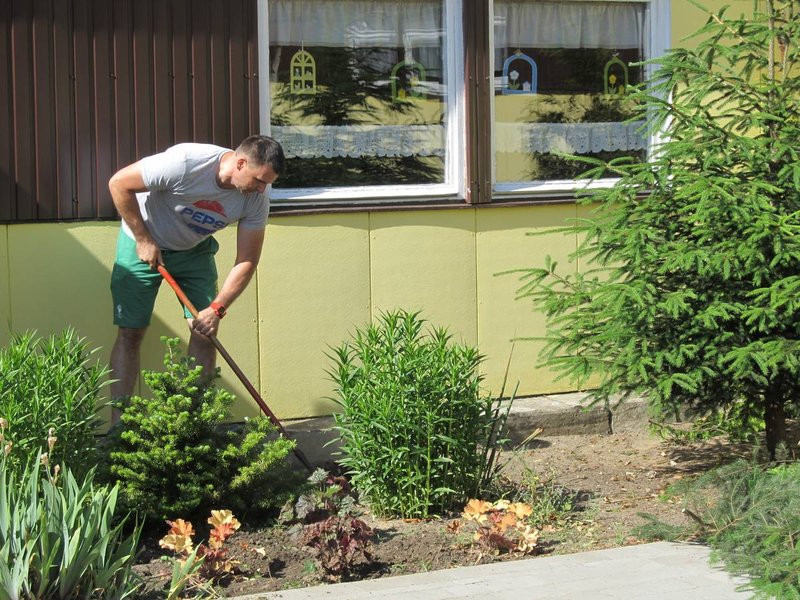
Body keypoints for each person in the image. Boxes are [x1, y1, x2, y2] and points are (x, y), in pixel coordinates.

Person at [107, 135, 285, 421]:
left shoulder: (256, 199)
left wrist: (217, 309)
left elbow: (247, 260)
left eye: (268, 183)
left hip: (193, 249)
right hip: (142, 240)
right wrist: (143, 238)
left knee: (205, 330)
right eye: (259, 180)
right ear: (240, 163)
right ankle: (120, 429)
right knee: (131, 332)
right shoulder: (186, 163)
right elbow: (118, 183)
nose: (262, 189)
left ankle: (194, 426)